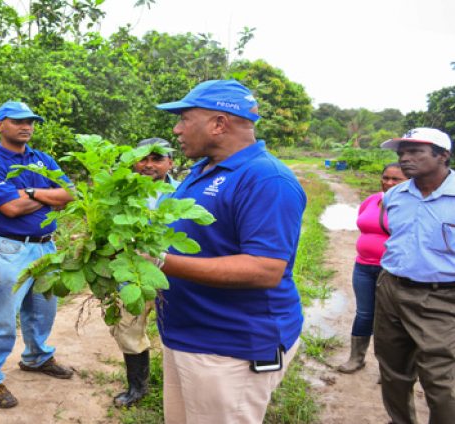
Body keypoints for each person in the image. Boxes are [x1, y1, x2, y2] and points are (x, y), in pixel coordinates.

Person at [152, 79, 306, 423]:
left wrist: (160, 262)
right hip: (188, 335)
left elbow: (265, 269)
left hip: (230, 347)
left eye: (184, 119)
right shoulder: (201, 170)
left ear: (219, 123)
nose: (177, 130)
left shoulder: (267, 179)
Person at [0, 100, 74, 409]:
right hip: (8, 247)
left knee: (44, 307)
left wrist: (28, 193)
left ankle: (36, 357)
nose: (26, 126)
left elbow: (70, 194)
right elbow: (10, 209)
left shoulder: (42, 158)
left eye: (30, 121)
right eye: (17, 121)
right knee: (2, 315)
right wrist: (48, 198)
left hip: (45, 244)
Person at [375, 127, 455, 424]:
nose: (405, 159)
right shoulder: (395, 195)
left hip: (442, 296)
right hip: (392, 290)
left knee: (440, 380)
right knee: (393, 371)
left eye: (415, 152)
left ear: (443, 155)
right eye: (401, 153)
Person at [110, 137, 180, 407]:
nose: (149, 165)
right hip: (131, 274)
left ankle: (180, 385)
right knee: (128, 328)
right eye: (143, 158)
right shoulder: (120, 193)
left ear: (170, 163)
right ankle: (137, 387)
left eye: (157, 158)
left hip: (176, 272)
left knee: (179, 327)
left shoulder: (185, 192)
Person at [336, 163, 407, 373]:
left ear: (409, 181)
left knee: (391, 318)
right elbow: (363, 224)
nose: (389, 182)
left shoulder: (411, 205)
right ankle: (356, 358)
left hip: (393, 271)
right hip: (364, 267)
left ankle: (390, 369)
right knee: (364, 314)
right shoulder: (372, 200)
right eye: (386, 177)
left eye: (396, 179)